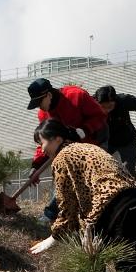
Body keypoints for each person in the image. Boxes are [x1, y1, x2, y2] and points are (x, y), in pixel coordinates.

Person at [28, 119, 136, 272]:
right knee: (101, 257)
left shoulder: (62, 158)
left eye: (42, 143)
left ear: (57, 139)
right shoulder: (85, 147)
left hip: (116, 206)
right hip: (135, 201)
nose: (41, 149)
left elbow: (67, 204)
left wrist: (54, 236)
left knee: (122, 265)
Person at [25, 78, 109, 223]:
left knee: (91, 182)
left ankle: (96, 215)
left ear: (48, 95)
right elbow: (44, 139)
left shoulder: (77, 95)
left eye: (39, 102)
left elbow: (100, 116)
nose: (39, 108)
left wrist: (84, 130)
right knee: (64, 178)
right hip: (68, 152)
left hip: (93, 143)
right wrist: (36, 165)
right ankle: (56, 215)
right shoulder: (43, 115)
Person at [93, 85, 136, 174]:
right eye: (103, 107)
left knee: (128, 171)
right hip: (105, 141)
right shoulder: (91, 103)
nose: (107, 110)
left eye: (110, 106)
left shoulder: (122, 100)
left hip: (127, 139)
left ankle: (132, 187)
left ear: (115, 101)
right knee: (100, 167)